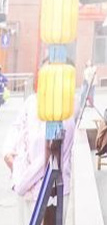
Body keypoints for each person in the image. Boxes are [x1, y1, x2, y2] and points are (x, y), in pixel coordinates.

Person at [3, 94, 76, 223]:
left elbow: (47, 159)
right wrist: (8, 151)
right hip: (26, 188)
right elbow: (17, 126)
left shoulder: (62, 112)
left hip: (47, 193)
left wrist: (20, 182)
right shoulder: (31, 101)